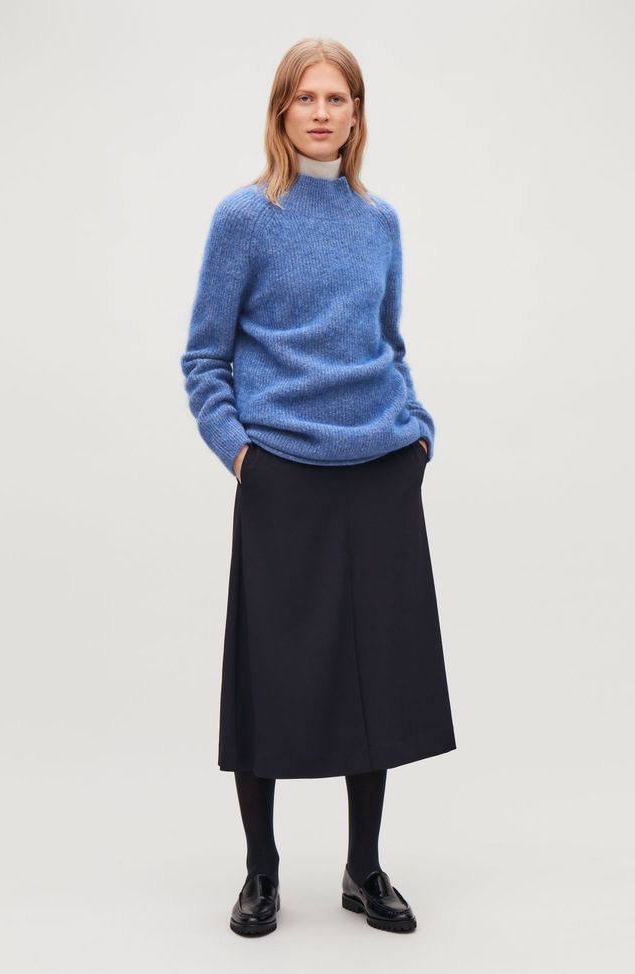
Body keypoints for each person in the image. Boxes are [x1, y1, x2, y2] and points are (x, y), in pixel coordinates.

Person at [180, 37, 457, 937]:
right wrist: (241, 454)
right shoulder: (244, 219)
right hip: (283, 474)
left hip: (379, 469)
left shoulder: (379, 222)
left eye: (337, 98)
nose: (322, 112)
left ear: (356, 113)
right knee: (270, 672)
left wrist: (415, 428)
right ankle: (260, 870)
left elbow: (388, 342)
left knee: (377, 671)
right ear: (281, 110)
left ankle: (363, 867)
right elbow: (204, 356)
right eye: (306, 97)